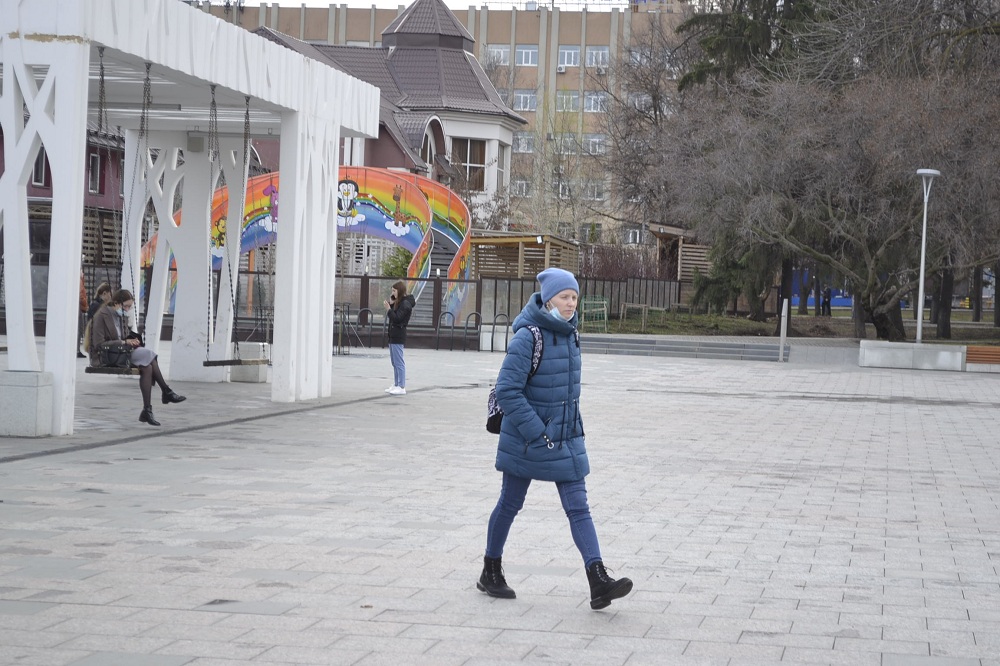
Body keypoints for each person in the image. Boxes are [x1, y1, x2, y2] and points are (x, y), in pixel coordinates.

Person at [478, 267, 633, 610]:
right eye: (565, 297)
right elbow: (506, 391)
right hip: (528, 438)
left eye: (574, 297)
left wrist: (568, 428)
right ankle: (491, 569)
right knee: (510, 504)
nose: (571, 303)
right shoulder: (527, 337)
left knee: (579, 506)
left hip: (565, 436)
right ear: (548, 299)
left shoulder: (571, 334)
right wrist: (537, 431)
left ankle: (598, 580)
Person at [90, 289, 186, 426]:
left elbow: (123, 337)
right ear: (116, 303)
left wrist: (131, 340)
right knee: (148, 354)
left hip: (122, 353)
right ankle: (166, 391)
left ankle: (147, 410)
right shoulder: (101, 316)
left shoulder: (121, 316)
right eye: (126, 306)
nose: (128, 309)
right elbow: (99, 344)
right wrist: (124, 342)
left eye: (130, 307)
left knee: (147, 368)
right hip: (107, 355)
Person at [383, 280, 414, 396]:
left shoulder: (405, 304)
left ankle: (401, 386)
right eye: (392, 291)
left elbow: (397, 318)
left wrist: (389, 309)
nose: (393, 293)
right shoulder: (400, 302)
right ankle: (396, 384)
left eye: (394, 291)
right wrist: (391, 305)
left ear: (399, 291)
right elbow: (395, 316)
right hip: (393, 334)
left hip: (398, 334)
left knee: (399, 362)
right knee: (394, 362)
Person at [77, 272, 89, 358]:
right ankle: (77, 349)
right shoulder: (79, 280)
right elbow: (81, 295)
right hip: (79, 306)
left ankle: (76, 348)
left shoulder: (80, 280)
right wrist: (85, 305)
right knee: (79, 328)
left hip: (79, 305)